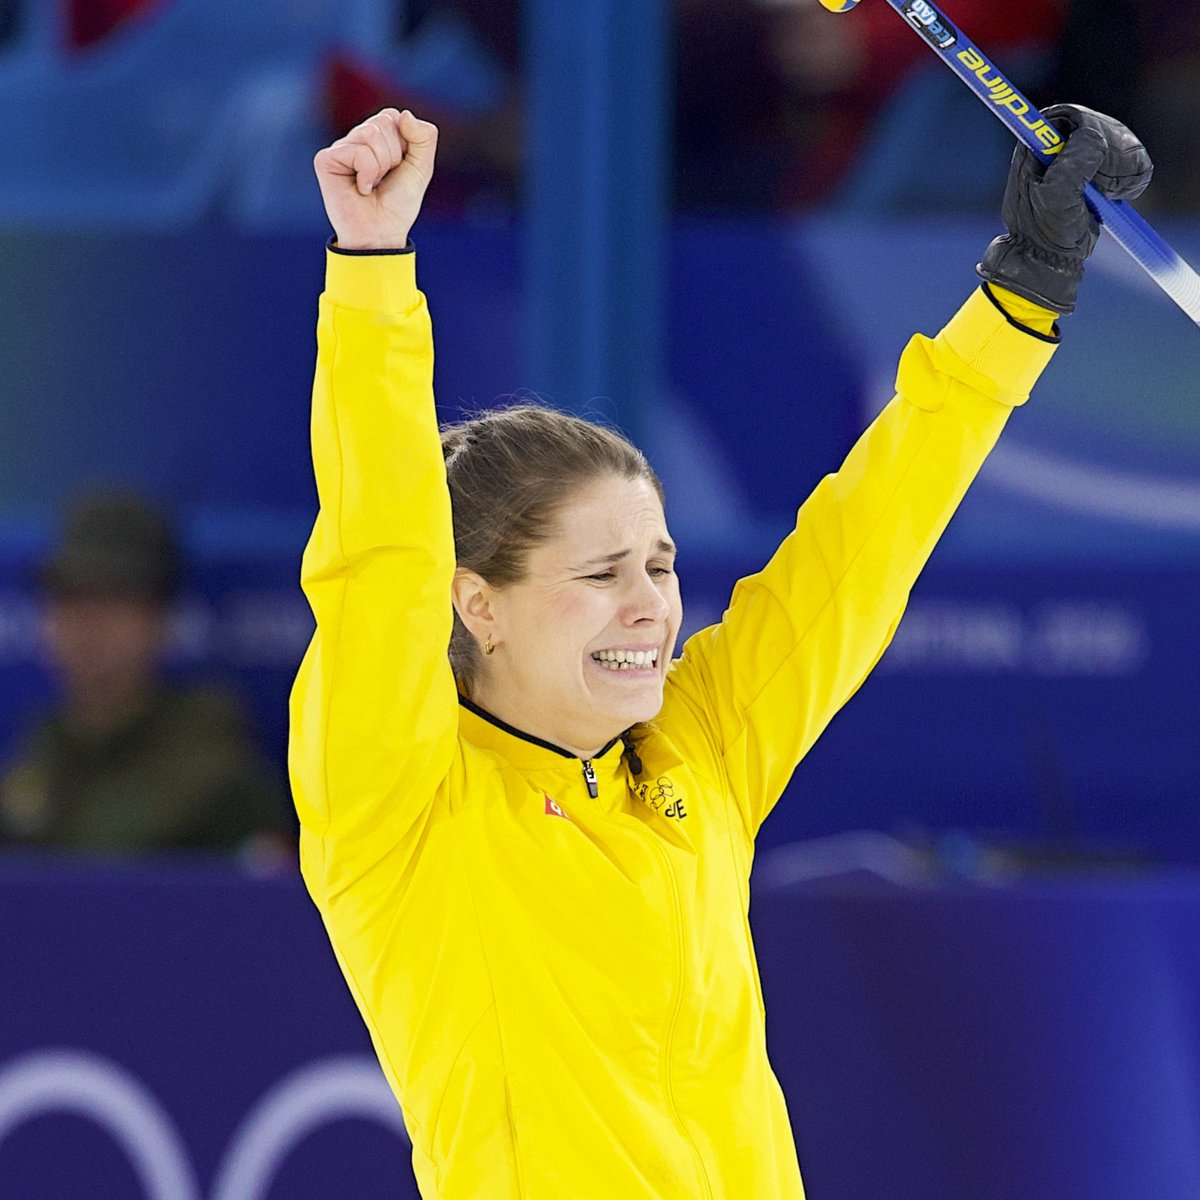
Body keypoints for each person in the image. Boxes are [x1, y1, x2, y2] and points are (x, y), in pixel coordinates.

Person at [290, 106, 1151, 1197]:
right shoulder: (397, 806)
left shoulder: (697, 752)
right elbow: (376, 559)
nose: (650, 605)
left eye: (659, 565)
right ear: (478, 605)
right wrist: (371, 271)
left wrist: (1022, 293)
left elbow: (861, 548)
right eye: (600, 575)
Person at [0, 489, 291, 856]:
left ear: (161, 619)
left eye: (114, 599)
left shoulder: (215, 774)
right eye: (69, 598)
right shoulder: (37, 758)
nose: (87, 625)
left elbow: (266, 901)